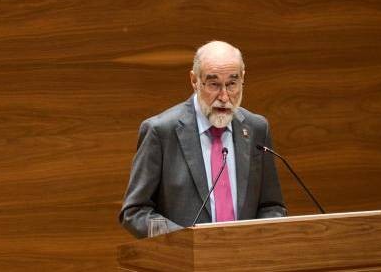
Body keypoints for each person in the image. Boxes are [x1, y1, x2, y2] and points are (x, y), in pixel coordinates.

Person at [119, 40, 286, 239]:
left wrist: (258, 238)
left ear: (243, 79)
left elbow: (271, 206)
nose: (224, 96)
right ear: (194, 80)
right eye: (214, 84)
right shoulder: (161, 131)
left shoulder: (256, 128)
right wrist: (183, 239)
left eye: (232, 84)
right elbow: (135, 212)